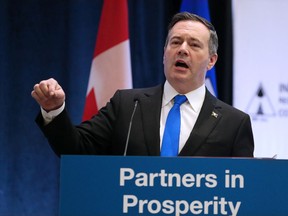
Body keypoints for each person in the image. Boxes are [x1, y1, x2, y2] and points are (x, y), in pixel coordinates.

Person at [31, 12, 254, 157]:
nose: (182, 49)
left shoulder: (234, 124)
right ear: (164, 53)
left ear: (211, 61)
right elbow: (75, 151)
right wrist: (54, 110)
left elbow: (242, 191)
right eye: (175, 42)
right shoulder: (127, 105)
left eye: (194, 45)